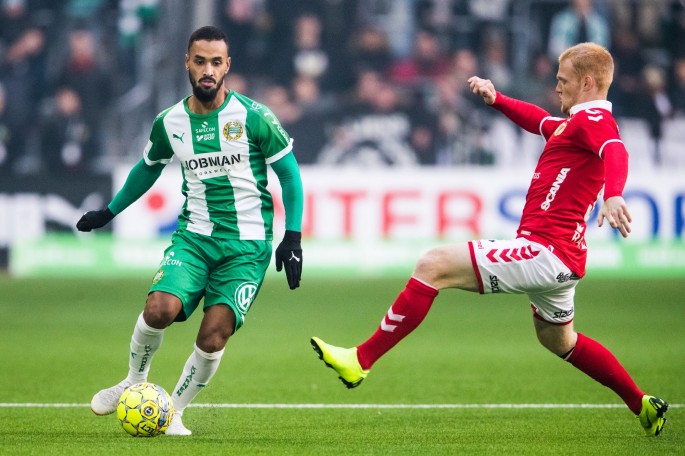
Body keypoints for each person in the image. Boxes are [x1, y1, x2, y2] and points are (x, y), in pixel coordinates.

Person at [310, 42, 669, 436]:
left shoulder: (595, 119)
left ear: (587, 83)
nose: (556, 87)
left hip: (544, 251)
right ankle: (642, 403)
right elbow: (539, 121)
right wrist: (497, 99)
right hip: (563, 258)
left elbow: (616, 151)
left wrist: (614, 194)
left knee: (433, 264)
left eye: (563, 80)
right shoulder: (573, 124)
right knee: (559, 340)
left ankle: (360, 360)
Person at [76, 26, 304, 436]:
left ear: (227, 65)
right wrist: (108, 212)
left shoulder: (253, 117)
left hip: (247, 248)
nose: (208, 70)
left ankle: (174, 412)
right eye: (200, 61)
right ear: (187, 62)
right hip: (194, 239)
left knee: (214, 335)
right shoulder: (169, 122)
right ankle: (132, 381)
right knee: (158, 309)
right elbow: (147, 169)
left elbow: (289, 174)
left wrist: (293, 237)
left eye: (216, 62)